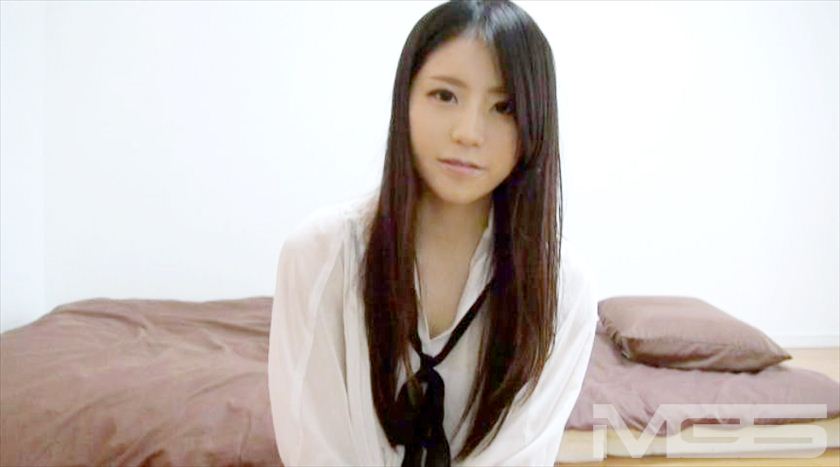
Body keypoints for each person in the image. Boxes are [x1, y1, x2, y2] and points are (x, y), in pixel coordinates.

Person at [266, 1, 598, 465]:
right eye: (445, 95)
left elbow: (519, 454)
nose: (468, 132)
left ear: (534, 126)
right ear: (405, 99)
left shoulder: (561, 287)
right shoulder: (320, 254)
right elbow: (315, 448)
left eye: (504, 107)